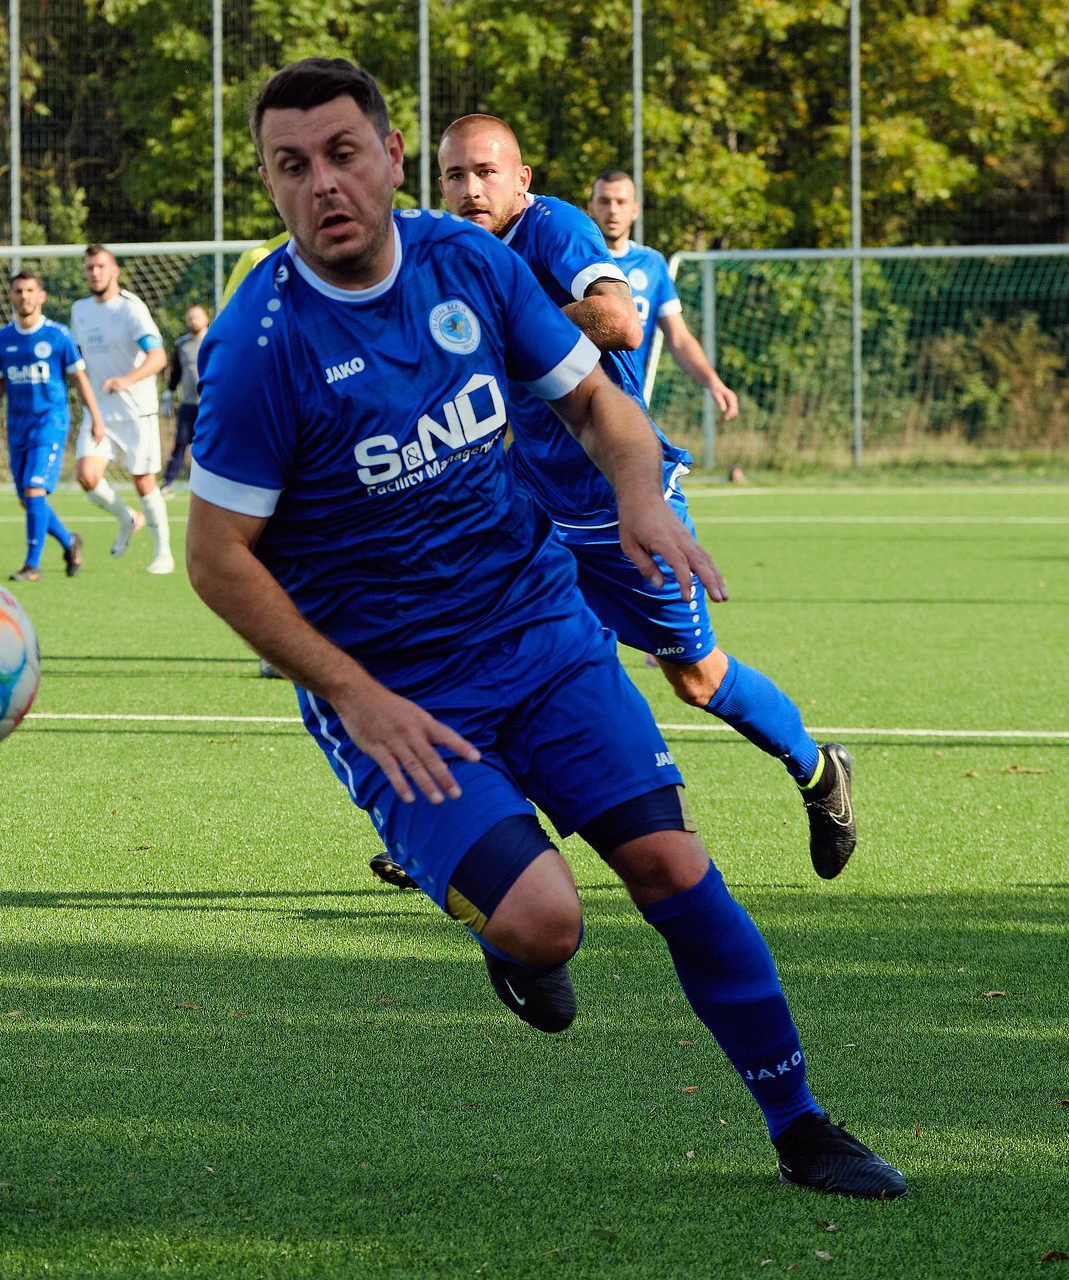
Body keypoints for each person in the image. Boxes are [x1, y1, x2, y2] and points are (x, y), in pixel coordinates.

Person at [186, 56, 903, 1199]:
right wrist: (353, 694)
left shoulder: (470, 262)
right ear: (269, 183)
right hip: (399, 690)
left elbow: (597, 398)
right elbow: (216, 558)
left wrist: (638, 493)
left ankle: (801, 1123)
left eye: (343, 153)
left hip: (540, 630)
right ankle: (506, 933)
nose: (323, 183)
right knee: (545, 921)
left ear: (391, 158)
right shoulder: (257, 347)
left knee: (673, 865)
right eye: (291, 165)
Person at [436, 115, 856, 883]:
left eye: (486, 172)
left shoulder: (555, 228)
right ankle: (471, 827)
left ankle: (819, 773)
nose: (471, 189)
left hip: (622, 504)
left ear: (521, 180)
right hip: (537, 507)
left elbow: (619, 321)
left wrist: (509, 335)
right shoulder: (460, 254)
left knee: (697, 678)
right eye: (455, 175)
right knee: (489, 650)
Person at [0, 270, 101, 581]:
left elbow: (79, 377)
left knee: (34, 490)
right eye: (18, 291)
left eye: (30, 290)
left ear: (41, 296)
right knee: (28, 499)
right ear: (11, 296)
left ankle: (32, 565)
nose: (24, 297)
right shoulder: (2, 338)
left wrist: (96, 417)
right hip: (17, 427)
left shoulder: (58, 335)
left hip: (50, 424)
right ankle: (70, 541)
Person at [585, 169, 740, 420]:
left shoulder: (652, 263)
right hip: (575, 404)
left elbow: (679, 339)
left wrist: (714, 383)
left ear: (635, 210)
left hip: (630, 405)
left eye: (621, 202)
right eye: (604, 201)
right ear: (591, 207)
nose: (612, 210)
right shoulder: (575, 258)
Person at [69, 245, 175, 573]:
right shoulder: (79, 310)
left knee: (143, 482)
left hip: (136, 412)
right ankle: (127, 518)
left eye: (101, 266)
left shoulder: (131, 309)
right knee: (87, 476)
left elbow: (158, 357)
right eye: (90, 267)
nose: (95, 273)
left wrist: (127, 380)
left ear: (114, 270)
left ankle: (163, 554)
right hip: (99, 413)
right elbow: (78, 364)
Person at [160, 304, 209, 494]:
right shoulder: (182, 344)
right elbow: (176, 372)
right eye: (189, 318)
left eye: (196, 317)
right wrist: (169, 392)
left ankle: (212, 484)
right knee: (180, 443)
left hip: (210, 405)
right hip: (189, 404)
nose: (193, 321)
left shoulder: (214, 341)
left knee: (211, 445)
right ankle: (168, 483)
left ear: (206, 319)